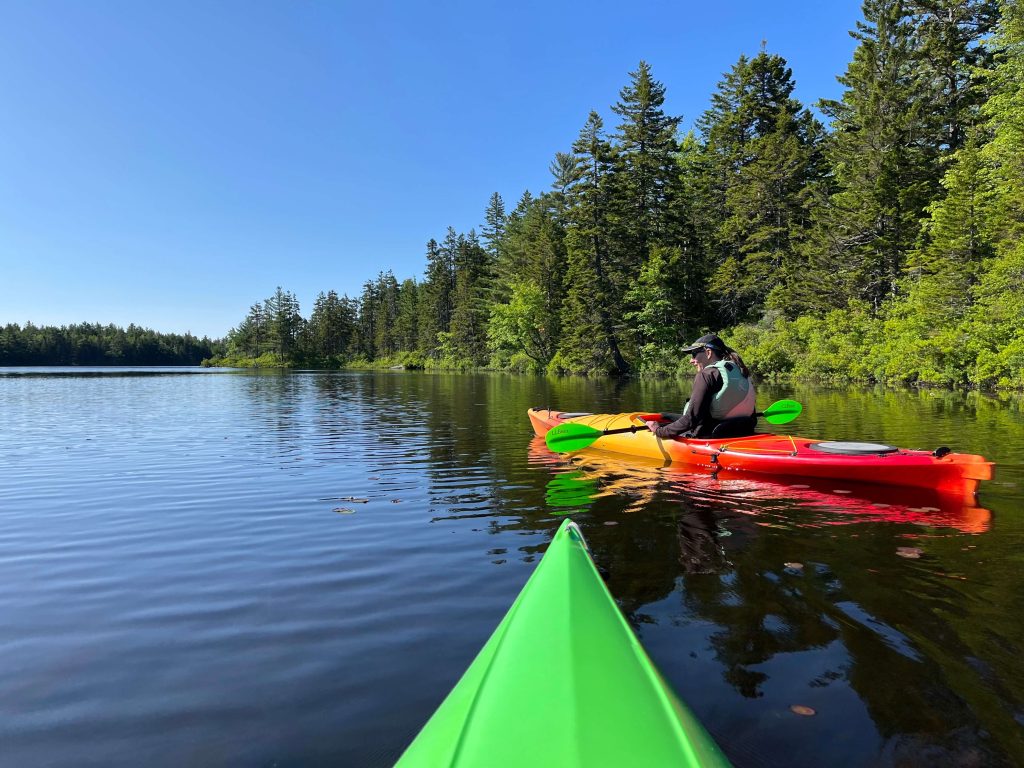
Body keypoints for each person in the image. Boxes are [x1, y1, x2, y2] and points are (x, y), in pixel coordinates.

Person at [645, 333, 756, 439]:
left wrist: (659, 430)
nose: (691, 361)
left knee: (668, 424)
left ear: (708, 353)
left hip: (709, 437)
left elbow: (690, 420)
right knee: (665, 416)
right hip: (742, 431)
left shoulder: (706, 375)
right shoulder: (740, 372)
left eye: (694, 355)